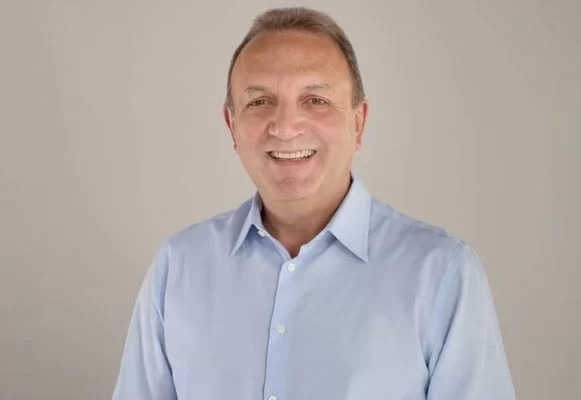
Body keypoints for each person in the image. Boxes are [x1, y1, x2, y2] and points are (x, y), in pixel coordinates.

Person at [112, 6, 516, 400]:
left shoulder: (441, 273)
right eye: (259, 101)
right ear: (232, 126)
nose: (285, 127)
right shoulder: (178, 267)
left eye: (316, 100)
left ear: (358, 121)